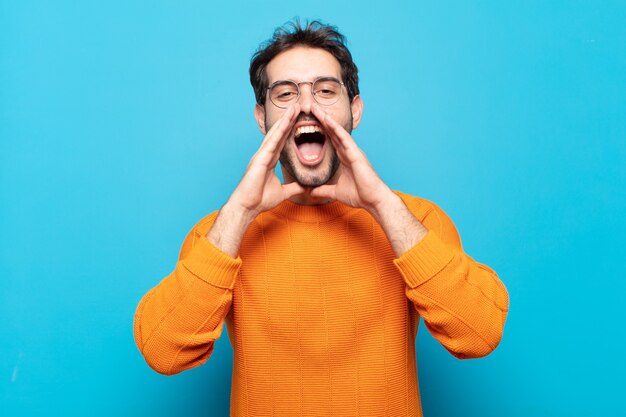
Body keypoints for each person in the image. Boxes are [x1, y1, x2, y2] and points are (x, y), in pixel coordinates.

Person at [134, 20, 509, 417]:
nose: (307, 106)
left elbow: (479, 334)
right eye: (286, 93)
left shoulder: (415, 219)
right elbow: (163, 352)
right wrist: (240, 212)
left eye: (326, 90)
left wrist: (382, 205)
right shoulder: (222, 233)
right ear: (262, 118)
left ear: (356, 110)